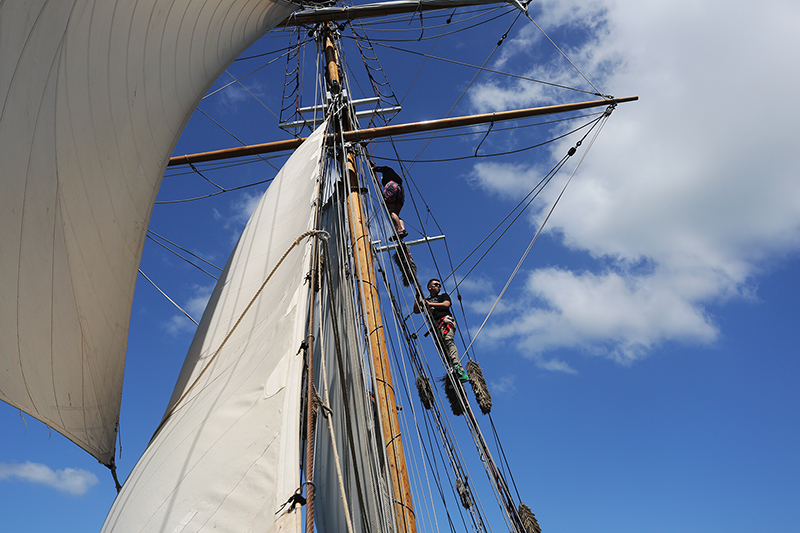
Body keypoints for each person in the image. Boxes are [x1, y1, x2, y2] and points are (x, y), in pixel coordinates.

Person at [414, 278, 469, 382]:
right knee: (443, 348)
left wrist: (429, 304)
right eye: (436, 284)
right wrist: (417, 295)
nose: (439, 286)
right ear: (429, 287)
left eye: (439, 285)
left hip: (445, 321)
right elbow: (416, 310)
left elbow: (446, 304)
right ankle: (452, 369)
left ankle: (458, 368)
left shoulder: (443, 296)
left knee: (448, 341)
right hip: (436, 327)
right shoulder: (426, 301)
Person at [372, 164, 408, 240]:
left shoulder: (387, 170)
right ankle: (403, 229)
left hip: (391, 186)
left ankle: (399, 230)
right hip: (400, 188)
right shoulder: (397, 177)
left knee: (392, 212)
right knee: (397, 214)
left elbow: (382, 168)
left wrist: (374, 169)